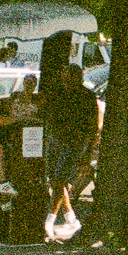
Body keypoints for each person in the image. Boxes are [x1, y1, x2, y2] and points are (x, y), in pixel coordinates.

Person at [43, 63, 99, 241]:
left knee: (60, 178)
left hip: (75, 142)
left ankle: (50, 219)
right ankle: (71, 218)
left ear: (78, 78)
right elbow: (49, 116)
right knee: (54, 179)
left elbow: (93, 127)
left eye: (70, 78)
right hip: (55, 139)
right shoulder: (58, 93)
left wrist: (87, 153)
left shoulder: (87, 96)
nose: (66, 81)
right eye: (65, 78)